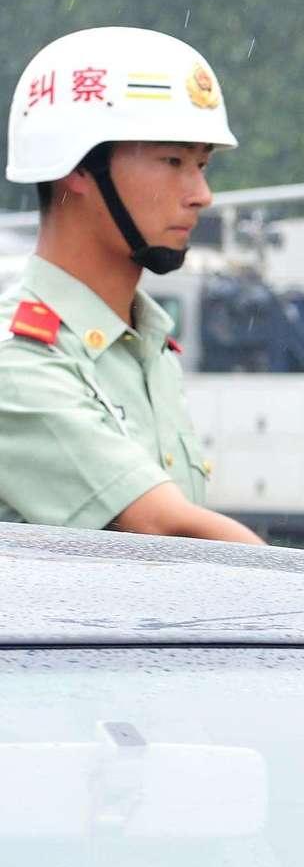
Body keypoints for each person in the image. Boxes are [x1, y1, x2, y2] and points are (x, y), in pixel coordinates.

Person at [1, 27, 259, 541]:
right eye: (174, 162)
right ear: (77, 167)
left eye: (203, 165)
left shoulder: (146, 348)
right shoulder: (17, 360)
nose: (202, 194)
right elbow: (169, 533)